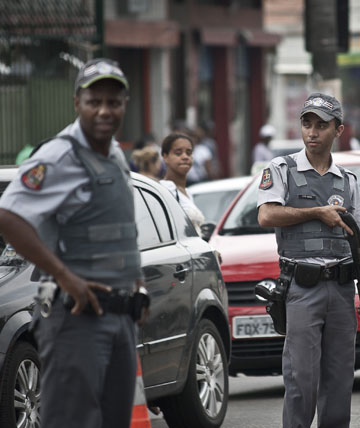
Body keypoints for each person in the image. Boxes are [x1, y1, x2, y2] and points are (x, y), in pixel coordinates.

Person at [0, 58, 147, 427]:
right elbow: (9, 216)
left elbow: (119, 231)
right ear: (76, 102)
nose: (104, 110)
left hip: (121, 316)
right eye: (93, 101)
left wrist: (137, 283)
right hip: (77, 319)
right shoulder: (58, 156)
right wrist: (65, 277)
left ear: (124, 105)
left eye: (113, 102)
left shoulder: (114, 154)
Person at [257, 93, 360, 428]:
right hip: (301, 287)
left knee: (339, 382)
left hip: (341, 289)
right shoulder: (281, 169)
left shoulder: (348, 181)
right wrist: (316, 213)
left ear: (338, 130)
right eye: (307, 124)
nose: (312, 132)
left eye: (321, 125)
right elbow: (266, 216)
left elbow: (357, 239)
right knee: (302, 381)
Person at [160, 133, 206, 235]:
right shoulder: (165, 189)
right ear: (165, 157)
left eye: (189, 153)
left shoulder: (187, 193)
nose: (185, 157)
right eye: (178, 153)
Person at [187, 120, 218, 184]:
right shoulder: (184, 150)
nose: (192, 140)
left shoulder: (203, 150)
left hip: (201, 180)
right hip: (187, 181)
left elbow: (208, 168)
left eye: (194, 137)